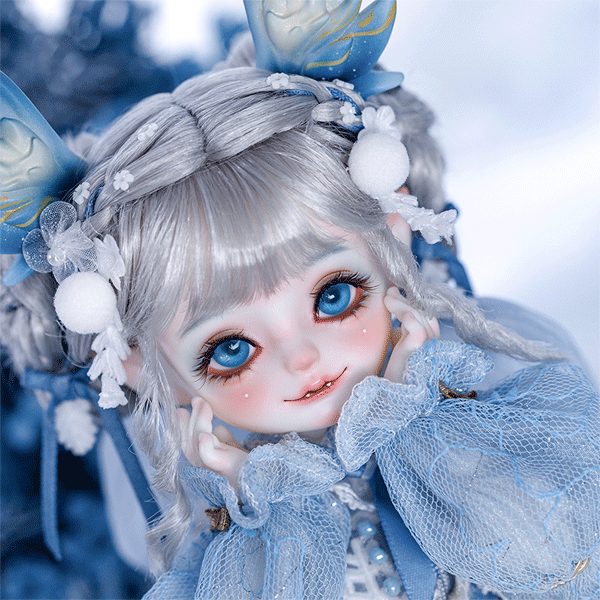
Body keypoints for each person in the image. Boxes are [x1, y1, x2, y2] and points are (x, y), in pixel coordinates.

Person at [1, 2, 598, 599]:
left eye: (334, 297)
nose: (302, 357)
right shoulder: (179, 482)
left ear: (392, 236)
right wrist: (252, 508)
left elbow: (565, 557)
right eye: (231, 350)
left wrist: (424, 416)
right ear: (141, 365)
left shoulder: (492, 372)